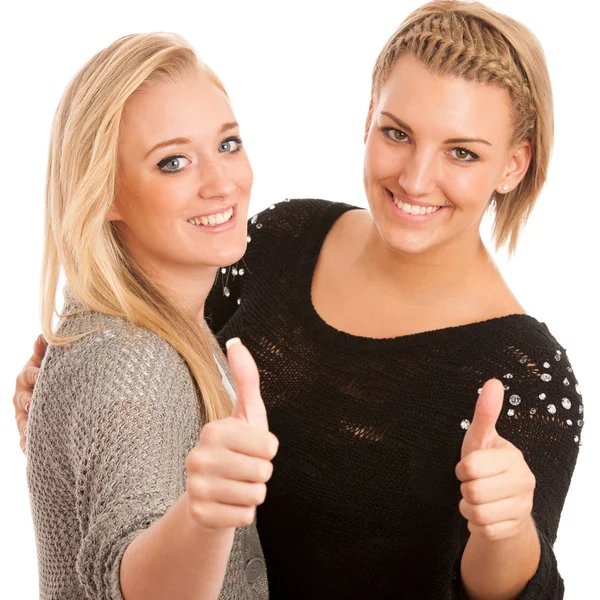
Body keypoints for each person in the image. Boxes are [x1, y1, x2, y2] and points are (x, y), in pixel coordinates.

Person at [13, 1, 582, 599]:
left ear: (512, 165)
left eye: (462, 152)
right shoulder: (278, 242)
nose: (416, 178)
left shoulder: (528, 373)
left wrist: (509, 531)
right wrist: (75, 411)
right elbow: (164, 361)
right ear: (368, 118)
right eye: (397, 133)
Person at [19, 32, 279, 599]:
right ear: (104, 192)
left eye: (228, 144)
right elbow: (128, 576)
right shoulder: (133, 360)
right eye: (174, 162)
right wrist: (204, 516)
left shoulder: (132, 335)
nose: (222, 182)